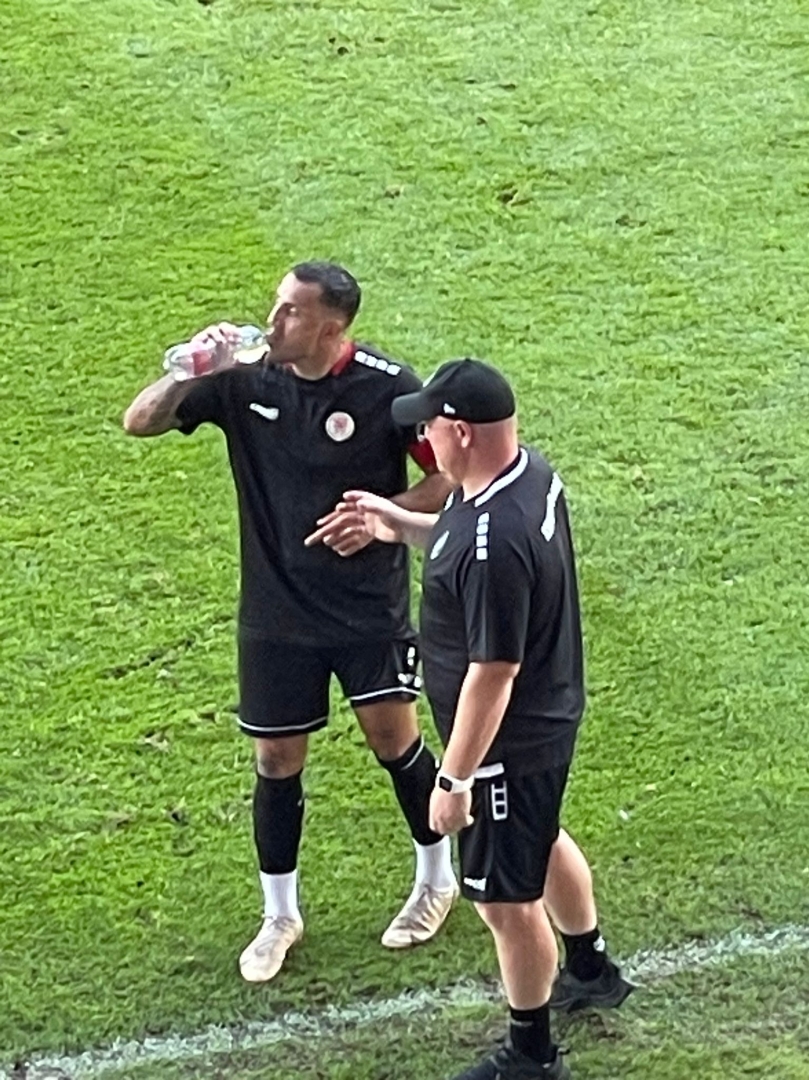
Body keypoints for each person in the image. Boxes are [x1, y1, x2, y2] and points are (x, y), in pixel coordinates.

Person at [122, 262, 458, 983]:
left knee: (393, 741)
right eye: (276, 306)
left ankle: (436, 880)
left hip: (366, 607)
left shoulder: (387, 387)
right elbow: (139, 422)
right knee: (276, 760)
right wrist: (188, 371)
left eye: (290, 313)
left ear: (331, 328)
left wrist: (385, 518)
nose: (272, 322)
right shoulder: (244, 377)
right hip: (275, 611)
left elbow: (448, 475)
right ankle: (280, 916)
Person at [336, 359, 632, 1080]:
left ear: (462, 433)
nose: (424, 441)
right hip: (549, 715)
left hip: (508, 741)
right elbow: (463, 534)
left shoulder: (492, 544)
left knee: (506, 902)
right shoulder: (528, 475)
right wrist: (402, 524)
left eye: (430, 428)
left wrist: (455, 778)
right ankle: (590, 968)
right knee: (540, 836)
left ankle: (532, 1055)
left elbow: (493, 672)